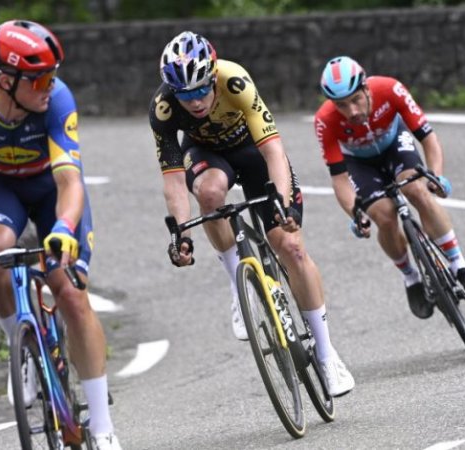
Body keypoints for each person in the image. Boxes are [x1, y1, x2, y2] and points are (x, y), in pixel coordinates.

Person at [0, 20, 121, 450]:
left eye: (53, 76)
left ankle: (104, 427)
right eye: (41, 79)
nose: (50, 86)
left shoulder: (58, 102)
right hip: (1, 187)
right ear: (5, 79)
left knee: (69, 291)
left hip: (53, 190)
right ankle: (23, 343)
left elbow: (71, 184)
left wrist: (64, 230)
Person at [150, 31, 355, 396]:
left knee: (290, 247)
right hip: (206, 155)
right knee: (210, 193)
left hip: (254, 152)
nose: (194, 102)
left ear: (213, 76)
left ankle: (327, 353)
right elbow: (173, 180)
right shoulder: (163, 109)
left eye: (200, 90)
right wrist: (181, 233)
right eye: (185, 94)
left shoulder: (235, 80)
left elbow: (273, 150)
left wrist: (283, 203)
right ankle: (236, 283)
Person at [313, 56, 465, 321]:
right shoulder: (325, 120)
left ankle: (459, 264)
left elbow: (427, 138)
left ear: (367, 89)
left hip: (395, 145)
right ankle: (410, 276)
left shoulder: (389, 89)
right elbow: (339, 178)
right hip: (359, 163)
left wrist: (436, 176)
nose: (352, 111)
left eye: (356, 99)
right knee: (383, 216)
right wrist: (355, 214)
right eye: (342, 105)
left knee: (417, 190)